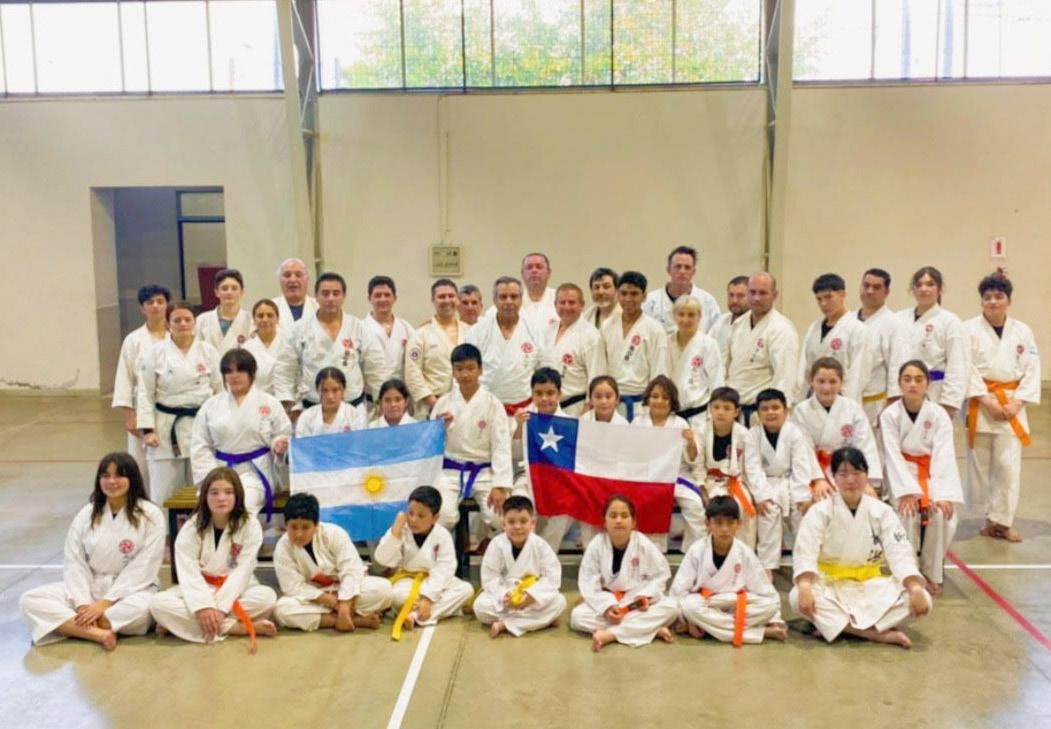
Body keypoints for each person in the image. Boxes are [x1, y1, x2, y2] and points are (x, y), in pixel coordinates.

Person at [790, 447, 932, 649]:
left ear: (866, 475)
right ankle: (875, 633)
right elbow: (806, 552)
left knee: (923, 599)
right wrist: (805, 586)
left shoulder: (882, 512)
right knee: (797, 597)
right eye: (843, 474)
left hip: (871, 586)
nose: (851, 480)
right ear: (833, 478)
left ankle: (841, 627)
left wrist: (915, 587)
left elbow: (899, 553)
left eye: (857, 473)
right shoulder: (819, 512)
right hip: (831, 585)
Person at [20, 453, 164, 650]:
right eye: (105, 476)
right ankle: (98, 632)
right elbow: (74, 561)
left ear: (132, 478)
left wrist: (105, 603)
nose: (112, 481)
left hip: (133, 591)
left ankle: (74, 626)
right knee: (30, 600)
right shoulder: (86, 514)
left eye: (119, 475)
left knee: (145, 609)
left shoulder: (150, 514)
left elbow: (145, 565)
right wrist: (82, 604)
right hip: (90, 587)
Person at [150, 468, 277, 651]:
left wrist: (221, 608)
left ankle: (180, 625)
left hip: (236, 588)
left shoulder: (250, 525)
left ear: (237, 496)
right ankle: (236, 628)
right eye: (214, 493)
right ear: (205, 497)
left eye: (228, 492)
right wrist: (203, 606)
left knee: (267, 598)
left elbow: (243, 571)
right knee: (158, 604)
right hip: (202, 586)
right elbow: (188, 573)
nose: (221, 498)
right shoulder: (192, 527)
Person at [965, 273, 1041, 543]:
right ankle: (989, 519)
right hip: (980, 403)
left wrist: (1016, 403)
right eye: (987, 297)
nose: (993, 302)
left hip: (1012, 406)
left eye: (999, 297)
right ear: (981, 301)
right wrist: (987, 400)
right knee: (980, 467)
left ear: (1009, 300)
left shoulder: (1023, 331)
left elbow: (1032, 369)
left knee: (1008, 468)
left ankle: (1004, 522)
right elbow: (965, 367)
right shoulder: (968, 329)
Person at [880, 360, 963, 596]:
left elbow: (944, 456)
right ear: (899, 383)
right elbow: (891, 455)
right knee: (906, 512)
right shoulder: (890, 415)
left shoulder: (939, 415)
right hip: (901, 474)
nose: (913, 385)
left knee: (942, 514)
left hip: (931, 473)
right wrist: (907, 491)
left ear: (928, 384)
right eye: (907, 379)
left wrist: (942, 494)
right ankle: (909, 573)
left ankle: (932, 572)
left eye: (919, 379)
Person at [137, 302, 222, 509]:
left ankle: (201, 526)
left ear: (194, 322)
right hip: (165, 429)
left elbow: (220, 392)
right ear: (168, 323)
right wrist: (148, 430)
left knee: (203, 487)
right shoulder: (155, 353)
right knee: (164, 491)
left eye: (187, 319)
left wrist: (220, 425)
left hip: (201, 424)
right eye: (177, 320)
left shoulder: (208, 351)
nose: (183, 324)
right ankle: (165, 528)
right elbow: (144, 393)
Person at [190, 349, 292, 520]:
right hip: (220, 471)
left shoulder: (270, 403)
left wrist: (279, 444)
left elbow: (282, 433)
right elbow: (200, 445)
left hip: (256, 471)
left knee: (241, 506)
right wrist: (211, 477)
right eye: (229, 371)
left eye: (240, 370)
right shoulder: (211, 406)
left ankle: (241, 538)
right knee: (215, 506)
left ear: (252, 373)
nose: (234, 376)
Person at [671, 496, 786, 645]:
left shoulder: (745, 552)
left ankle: (708, 627)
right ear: (708, 523)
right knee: (690, 606)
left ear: (739, 524)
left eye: (730, 523)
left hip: (735, 605)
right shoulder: (697, 550)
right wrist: (690, 619)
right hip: (707, 604)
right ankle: (758, 633)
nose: (724, 529)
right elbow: (678, 592)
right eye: (718, 523)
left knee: (770, 605)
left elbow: (767, 593)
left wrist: (774, 619)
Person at [570, 495, 679, 651]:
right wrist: (607, 608)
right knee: (578, 617)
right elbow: (588, 582)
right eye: (613, 516)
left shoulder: (643, 543)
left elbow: (661, 575)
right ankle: (650, 629)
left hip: (634, 602)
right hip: (608, 601)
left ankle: (610, 635)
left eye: (624, 515)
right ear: (604, 522)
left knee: (672, 608)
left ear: (633, 522)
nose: (619, 520)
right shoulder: (596, 545)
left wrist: (646, 595)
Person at [274, 272, 389, 419]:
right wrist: (288, 404)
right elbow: (285, 368)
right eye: (325, 293)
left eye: (336, 293)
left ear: (344, 296)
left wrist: (381, 399)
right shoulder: (299, 329)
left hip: (353, 407)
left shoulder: (358, 327)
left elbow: (376, 367)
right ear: (316, 296)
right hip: (312, 408)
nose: (331, 298)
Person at [272, 493, 392, 632]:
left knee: (384, 589)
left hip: (345, 591)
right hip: (314, 597)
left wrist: (345, 604)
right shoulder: (282, 548)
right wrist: (332, 602)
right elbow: (293, 587)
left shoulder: (334, 533)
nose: (299, 534)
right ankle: (353, 620)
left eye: (305, 527)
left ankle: (343, 616)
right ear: (285, 525)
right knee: (282, 610)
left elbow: (351, 569)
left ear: (316, 525)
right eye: (293, 527)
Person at [431, 344, 513, 533]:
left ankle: (491, 548)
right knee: (441, 517)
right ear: (453, 372)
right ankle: (447, 552)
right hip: (449, 472)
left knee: (500, 518)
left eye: (470, 368)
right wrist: (439, 428)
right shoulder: (443, 403)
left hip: (484, 472)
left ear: (480, 369)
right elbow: (431, 445)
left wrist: (500, 485)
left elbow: (501, 446)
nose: (465, 374)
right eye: (459, 369)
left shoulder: (493, 404)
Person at [373, 486, 474, 638]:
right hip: (407, 581)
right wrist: (395, 531)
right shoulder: (401, 529)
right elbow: (382, 558)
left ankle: (414, 615)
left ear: (435, 518)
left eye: (421, 516)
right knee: (397, 596)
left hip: (433, 581)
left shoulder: (442, 535)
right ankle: (436, 611)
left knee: (466, 590)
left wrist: (428, 598)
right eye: (411, 513)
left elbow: (444, 569)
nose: (413, 520)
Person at [748, 388, 820, 578]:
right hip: (766, 483)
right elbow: (752, 468)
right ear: (758, 414)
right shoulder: (753, 435)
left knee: (800, 510)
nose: (770, 412)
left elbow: (801, 465)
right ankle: (767, 566)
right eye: (765, 409)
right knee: (768, 510)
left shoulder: (795, 433)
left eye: (775, 408)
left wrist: (802, 494)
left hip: (791, 481)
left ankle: (805, 564)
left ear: (786, 411)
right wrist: (761, 495)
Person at [473, 495, 567, 638]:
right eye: (511, 522)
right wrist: (505, 596)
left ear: (532, 523)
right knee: (480, 607)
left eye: (523, 521)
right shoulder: (496, 545)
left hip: (530, 597)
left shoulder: (540, 545)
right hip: (506, 600)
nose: (517, 527)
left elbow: (552, 577)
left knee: (559, 602)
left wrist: (531, 596)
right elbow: (490, 578)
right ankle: (541, 621)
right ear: (503, 524)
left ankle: (505, 624)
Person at [632, 376, 705, 553]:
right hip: (647, 477)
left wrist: (691, 442)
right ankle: (649, 551)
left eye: (665, 397)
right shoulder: (638, 423)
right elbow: (631, 455)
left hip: (677, 476)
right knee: (648, 501)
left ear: (672, 401)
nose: (659, 401)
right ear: (648, 398)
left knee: (695, 505)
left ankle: (694, 552)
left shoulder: (680, 423)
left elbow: (691, 458)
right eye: (655, 396)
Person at [791, 358, 882, 491]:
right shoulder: (801, 411)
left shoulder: (852, 408)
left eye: (833, 381)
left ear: (842, 383)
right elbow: (804, 449)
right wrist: (818, 479)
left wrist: (866, 481)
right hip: (814, 471)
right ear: (811, 381)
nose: (826, 387)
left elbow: (865, 445)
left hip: (848, 470)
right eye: (821, 381)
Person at [112, 284, 170, 484]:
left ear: (167, 305)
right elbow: (125, 377)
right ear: (142, 308)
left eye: (160, 302)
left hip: (172, 405)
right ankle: (143, 500)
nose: (156, 306)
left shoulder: (178, 335)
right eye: (150, 303)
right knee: (141, 464)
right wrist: (129, 415)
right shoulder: (133, 340)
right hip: (142, 409)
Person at [466, 276, 549, 416]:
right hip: (485, 409)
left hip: (524, 409)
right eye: (503, 297)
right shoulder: (478, 331)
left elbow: (544, 370)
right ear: (494, 300)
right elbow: (465, 368)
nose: (508, 301)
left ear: (521, 300)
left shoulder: (535, 330)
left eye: (514, 297)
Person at [896, 266, 969, 418]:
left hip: (936, 393)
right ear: (913, 289)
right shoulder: (898, 319)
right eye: (919, 285)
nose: (924, 289)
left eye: (930, 284)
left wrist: (950, 404)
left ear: (940, 289)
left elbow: (958, 365)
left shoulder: (950, 321)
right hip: (902, 392)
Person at [726, 272, 799, 426]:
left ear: (775, 295)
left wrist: (775, 413)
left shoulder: (781, 329)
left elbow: (785, 377)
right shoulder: (738, 325)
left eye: (763, 293)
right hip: (736, 411)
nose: (757, 298)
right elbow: (729, 368)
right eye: (752, 292)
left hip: (763, 413)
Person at [692, 387, 761, 547]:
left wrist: (754, 493)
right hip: (709, 481)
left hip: (736, 482)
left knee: (743, 507)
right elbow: (698, 465)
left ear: (736, 412)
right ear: (709, 409)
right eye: (716, 407)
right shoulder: (701, 432)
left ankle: (743, 552)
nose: (720, 412)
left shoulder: (744, 434)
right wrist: (702, 489)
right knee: (710, 509)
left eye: (727, 408)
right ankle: (708, 551)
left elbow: (750, 468)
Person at [511, 368, 571, 550]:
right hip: (527, 478)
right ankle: (524, 553)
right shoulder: (523, 419)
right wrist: (519, 427)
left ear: (559, 394)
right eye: (539, 393)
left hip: (558, 481)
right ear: (532, 394)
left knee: (566, 509)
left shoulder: (569, 423)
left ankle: (546, 554)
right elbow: (515, 456)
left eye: (550, 393)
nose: (544, 398)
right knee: (519, 503)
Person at [795, 273, 873, 405]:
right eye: (819, 299)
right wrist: (799, 400)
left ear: (842, 294)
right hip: (814, 399)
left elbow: (858, 375)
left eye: (829, 297)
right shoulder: (814, 328)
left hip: (843, 400)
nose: (824, 303)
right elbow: (806, 369)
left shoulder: (858, 330)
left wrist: (845, 405)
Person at [601, 271, 668, 422]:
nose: (628, 299)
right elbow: (602, 366)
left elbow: (659, 372)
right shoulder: (607, 326)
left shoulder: (655, 329)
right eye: (623, 293)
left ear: (644, 296)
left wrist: (654, 406)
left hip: (641, 405)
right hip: (611, 403)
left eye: (634, 294)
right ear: (617, 294)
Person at [404, 279, 470, 418]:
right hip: (431, 406)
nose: (447, 300)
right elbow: (412, 374)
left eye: (451, 296)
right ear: (433, 300)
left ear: (457, 299)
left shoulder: (470, 332)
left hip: (466, 404)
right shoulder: (420, 335)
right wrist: (436, 404)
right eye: (441, 296)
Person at [851, 268, 908, 425]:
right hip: (845, 399)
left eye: (876, 287)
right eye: (866, 285)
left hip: (875, 403)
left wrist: (891, 405)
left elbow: (897, 366)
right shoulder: (848, 320)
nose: (870, 291)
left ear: (886, 292)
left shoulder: (894, 324)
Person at [547, 283, 607, 416]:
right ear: (555, 304)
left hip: (576, 407)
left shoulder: (591, 336)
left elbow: (597, 378)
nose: (566, 307)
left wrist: (587, 409)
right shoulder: (549, 331)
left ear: (582, 305)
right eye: (562, 302)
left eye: (572, 302)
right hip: (548, 406)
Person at [666, 295, 724, 427]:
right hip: (672, 415)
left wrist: (715, 414)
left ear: (699, 317)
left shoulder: (708, 344)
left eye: (691, 315)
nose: (685, 320)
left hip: (699, 416)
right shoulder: (667, 342)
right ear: (674, 316)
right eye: (681, 314)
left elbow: (717, 382)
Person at [642, 245, 721, 334]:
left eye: (687, 267)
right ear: (668, 270)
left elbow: (716, 334)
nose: (682, 272)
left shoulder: (708, 302)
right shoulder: (651, 301)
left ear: (693, 272)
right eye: (678, 267)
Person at [363, 275, 415, 381]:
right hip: (372, 388)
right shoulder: (360, 328)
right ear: (369, 299)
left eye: (387, 295)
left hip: (400, 388)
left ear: (394, 298)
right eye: (377, 295)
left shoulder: (406, 327)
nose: (383, 299)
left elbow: (415, 359)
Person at [294, 368, 368, 436]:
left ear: (343, 390)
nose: (330, 396)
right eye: (324, 390)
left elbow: (359, 443)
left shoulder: (355, 415)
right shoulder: (307, 416)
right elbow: (302, 444)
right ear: (317, 391)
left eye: (335, 390)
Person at [195, 268, 252, 354]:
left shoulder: (251, 320)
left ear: (241, 292)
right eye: (224, 288)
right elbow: (197, 351)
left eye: (234, 288)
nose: (229, 292)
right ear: (216, 292)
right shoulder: (202, 320)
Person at [242, 299, 284, 396]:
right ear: (254, 320)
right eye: (260, 316)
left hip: (284, 399)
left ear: (277, 319)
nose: (265, 319)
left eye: (270, 315)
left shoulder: (288, 344)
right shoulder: (246, 349)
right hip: (256, 398)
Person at [708, 275, 749, 361]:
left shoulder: (754, 325)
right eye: (731, 295)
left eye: (740, 296)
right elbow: (706, 349)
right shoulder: (721, 322)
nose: (734, 300)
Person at [274, 257, 318, 325]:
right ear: (280, 279)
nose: (293, 280)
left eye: (298, 275)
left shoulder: (319, 307)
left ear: (307, 278)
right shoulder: (268, 308)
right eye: (287, 275)